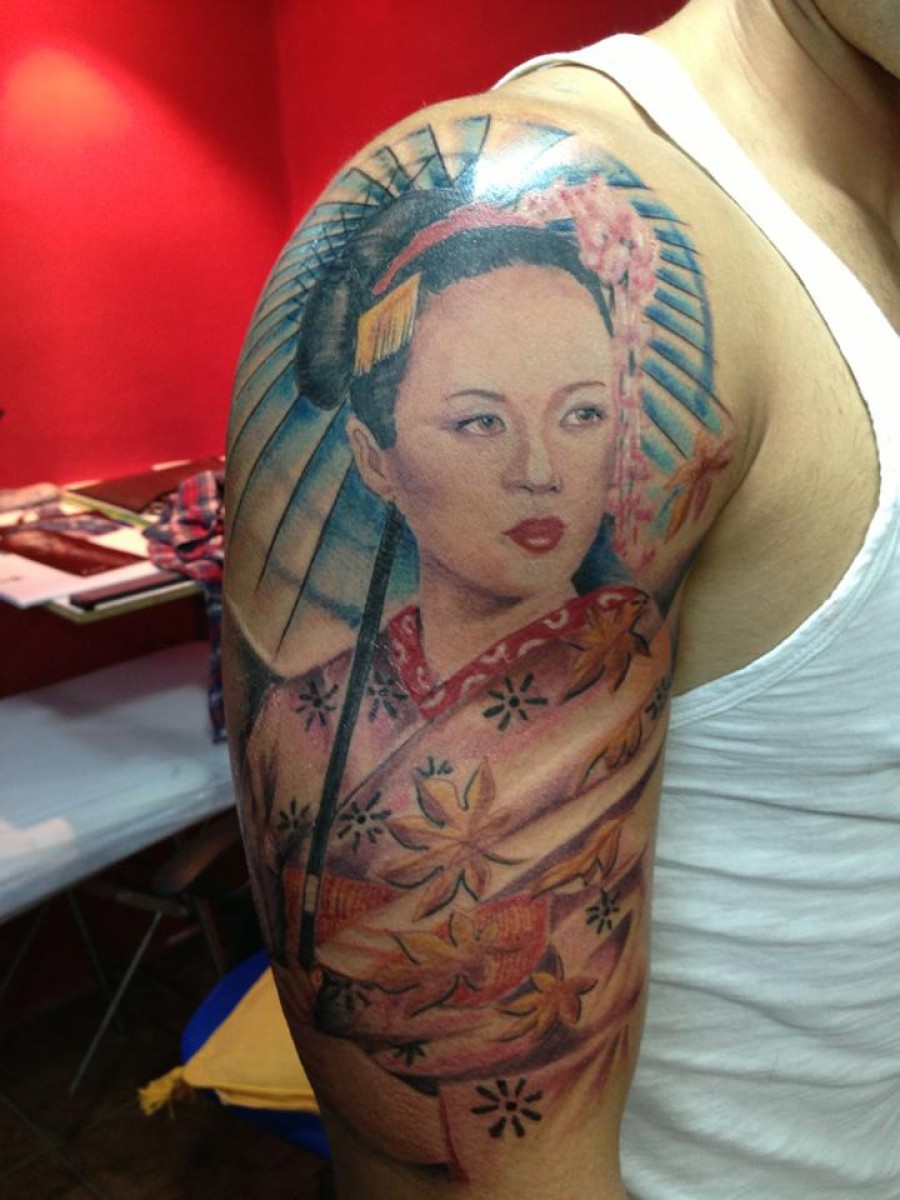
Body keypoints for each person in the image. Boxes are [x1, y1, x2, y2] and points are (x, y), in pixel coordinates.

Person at [224, 2, 899, 1197]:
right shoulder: (562, 175)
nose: (541, 470)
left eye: (583, 414)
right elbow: (432, 1164)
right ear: (375, 454)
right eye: (478, 422)